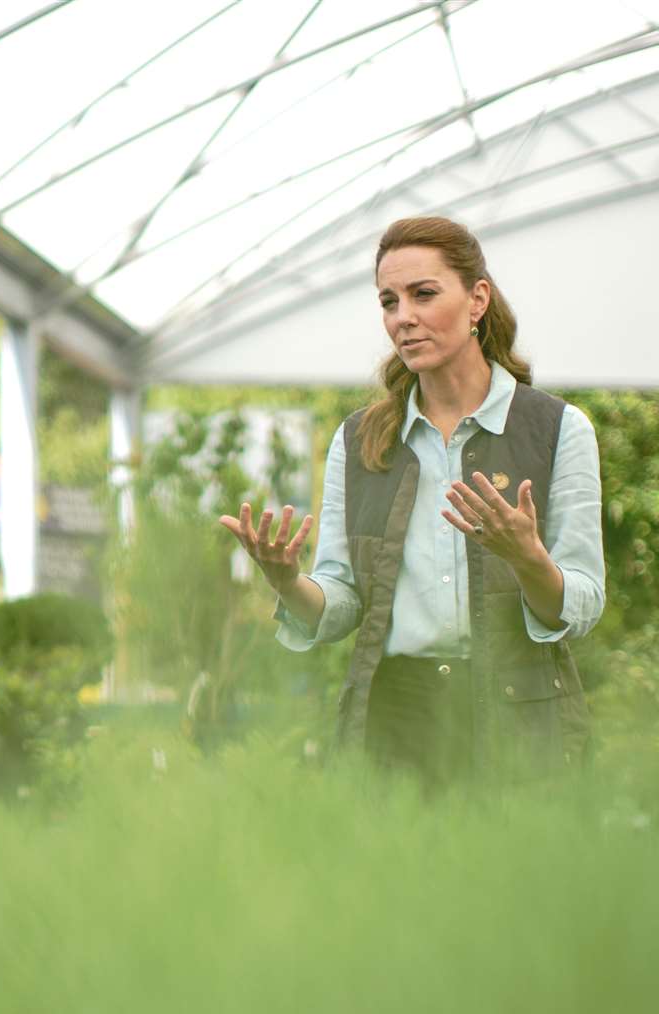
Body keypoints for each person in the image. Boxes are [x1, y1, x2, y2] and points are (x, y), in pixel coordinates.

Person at [220, 216, 604, 783]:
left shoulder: (558, 430)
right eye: (389, 301)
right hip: (393, 721)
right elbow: (344, 600)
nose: (403, 317)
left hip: (517, 718)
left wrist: (529, 560)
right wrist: (287, 583)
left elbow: (582, 605)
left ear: (477, 300)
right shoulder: (359, 440)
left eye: (424, 294)